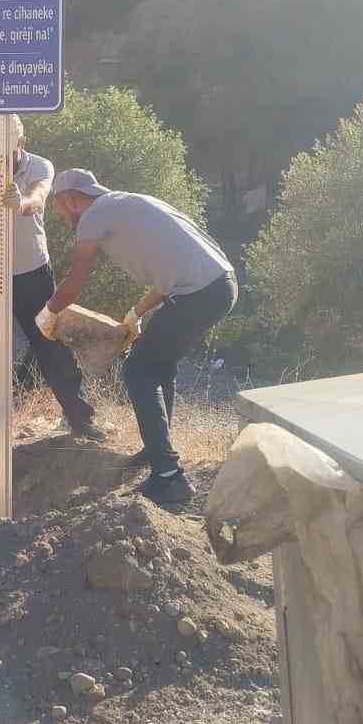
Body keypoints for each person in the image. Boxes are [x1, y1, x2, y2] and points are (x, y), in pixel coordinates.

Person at [40, 169, 237, 506]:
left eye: (58, 207)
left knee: (138, 370)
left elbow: (75, 279)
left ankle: (169, 477)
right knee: (159, 365)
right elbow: (170, 273)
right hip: (220, 286)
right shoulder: (131, 204)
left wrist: (48, 313)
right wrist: (136, 313)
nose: (59, 215)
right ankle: (157, 449)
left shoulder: (93, 216)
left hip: (198, 293)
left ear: (72, 200)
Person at [0, 119, 101, 442]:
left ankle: (79, 418)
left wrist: (20, 204)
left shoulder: (40, 165)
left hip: (30, 272)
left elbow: (38, 198)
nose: (0, 148)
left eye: (7, 141)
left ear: (22, 139)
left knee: (49, 344)